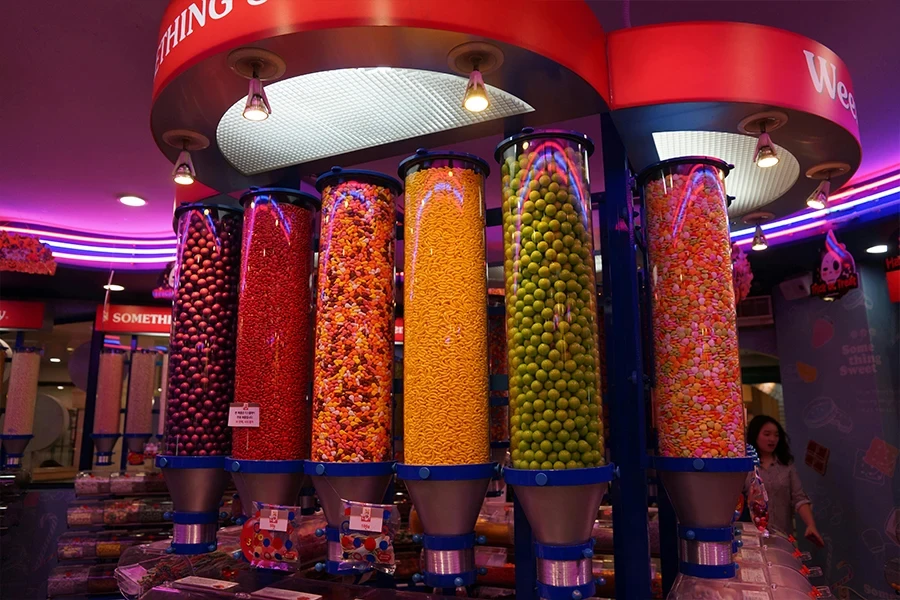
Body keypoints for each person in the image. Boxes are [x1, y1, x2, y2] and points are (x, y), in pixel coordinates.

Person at [746, 415, 825, 547]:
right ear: (755, 435)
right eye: (767, 434)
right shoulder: (746, 465)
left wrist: (811, 525)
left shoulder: (786, 465)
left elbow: (799, 498)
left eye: (776, 435)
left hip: (782, 537)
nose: (772, 439)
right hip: (753, 540)